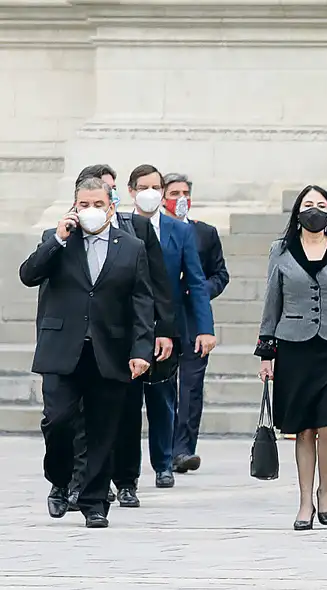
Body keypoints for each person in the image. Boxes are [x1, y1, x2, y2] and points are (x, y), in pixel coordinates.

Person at [19, 176, 154, 528]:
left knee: (102, 429)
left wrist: (141, 350)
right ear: (74, 206)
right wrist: (59, 240)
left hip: (109, 349)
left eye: (98, 204)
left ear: (111, 206)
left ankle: (94, 502)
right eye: (84, 204)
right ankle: (60, 479)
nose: (91, 211)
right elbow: (29, 274)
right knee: (58, 420)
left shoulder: (131, 246)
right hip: (62, 348)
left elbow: (142, 302)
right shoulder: (57, 239)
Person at [256, 185, 327, 530]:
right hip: (293, 344)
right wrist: (267, 351)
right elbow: (271, 300)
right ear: (297, 212)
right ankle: (305, 500)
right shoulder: (280, 250)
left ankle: (326, 490)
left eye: (321, 205)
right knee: (303, 426)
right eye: (308, 205)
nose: (314, 210)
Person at [64, 164, 174, 512]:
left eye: (107, 194)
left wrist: (163, 330)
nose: (99, 204)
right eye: (91, 199)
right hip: (85, 340)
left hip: (124, 339)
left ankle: (125, 480)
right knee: (82, 417)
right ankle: (84, 481)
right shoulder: (72, 236)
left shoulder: (136, 229)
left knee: (125, 414)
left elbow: (156, 286)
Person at [111, 164, 215, 506]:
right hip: (125, 328)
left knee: (162, 399)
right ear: (131, 191)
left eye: (156, 186)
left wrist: (204, 327)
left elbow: (197, 281)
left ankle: (163, 462)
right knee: (125, 404)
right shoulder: (120, 227)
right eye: (144, 186)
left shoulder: (180, 231)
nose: (150, 192)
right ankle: (124, 473)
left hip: (165, 327)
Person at [162, 173, 230, 474]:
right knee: (163, 387)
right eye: (174, 192)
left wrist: (199, 288)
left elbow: (220, 274)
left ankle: (183, 449)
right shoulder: (152, 231)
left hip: (193, 319)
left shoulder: (205, 233)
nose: (181, 198)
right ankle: (161, 447)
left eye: (185, 192)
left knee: (191, 387)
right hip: (161, 319)